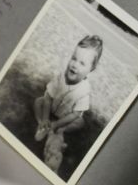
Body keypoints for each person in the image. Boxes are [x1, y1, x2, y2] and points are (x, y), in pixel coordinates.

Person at [34, 34, 104, 175]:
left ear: (91, 69)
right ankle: (42, 124)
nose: (74, 65)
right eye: (74, 58)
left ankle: (58, 133)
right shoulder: (61, 77)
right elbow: (49, 98)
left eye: (82, 63)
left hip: (66, 117)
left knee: (80, 122)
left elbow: (75, 114)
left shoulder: (84, 90)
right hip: (52, 108)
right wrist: (46, 118)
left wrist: (58, 124)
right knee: (39, 101)